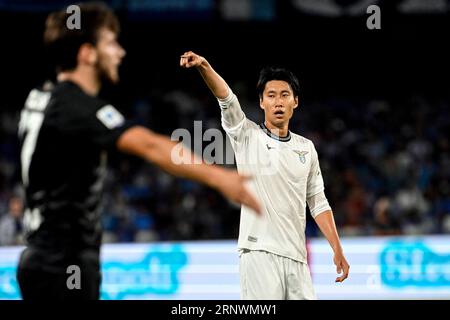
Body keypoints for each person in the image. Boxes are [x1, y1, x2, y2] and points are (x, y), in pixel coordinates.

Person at [16, 3, 260, 300]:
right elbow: (149, 145)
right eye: (110, 43)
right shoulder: (75, 107)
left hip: (42, 259)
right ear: (87, 53)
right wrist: (220, 177)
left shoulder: (40, 97)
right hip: (63, 264)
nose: (120, 52)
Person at [180, 51, 350, 300]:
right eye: (271, 96)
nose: (278, 102)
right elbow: (226, 99)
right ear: (261, 102)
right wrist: (204, 66)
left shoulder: (306, 147)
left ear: (295, 101)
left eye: (284, 95)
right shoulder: (246, 135)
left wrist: (337, 247)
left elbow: (317, 201)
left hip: (297, 258)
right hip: (258, 252)